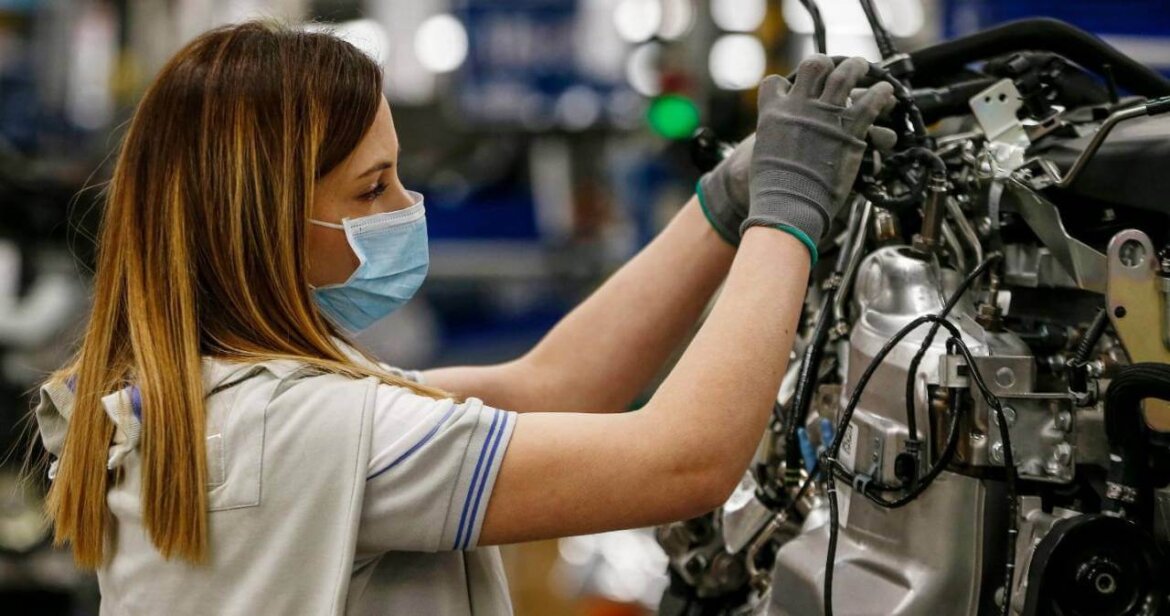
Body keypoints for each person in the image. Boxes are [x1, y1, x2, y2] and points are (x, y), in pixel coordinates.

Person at [31, 21, 894, 616]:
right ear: (261, 225)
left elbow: (553, 385)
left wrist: (725, 201)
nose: (408, 206)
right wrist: (791, 214)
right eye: (372, 189)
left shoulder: (214, 397)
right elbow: (688, 460)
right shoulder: (316, 432)